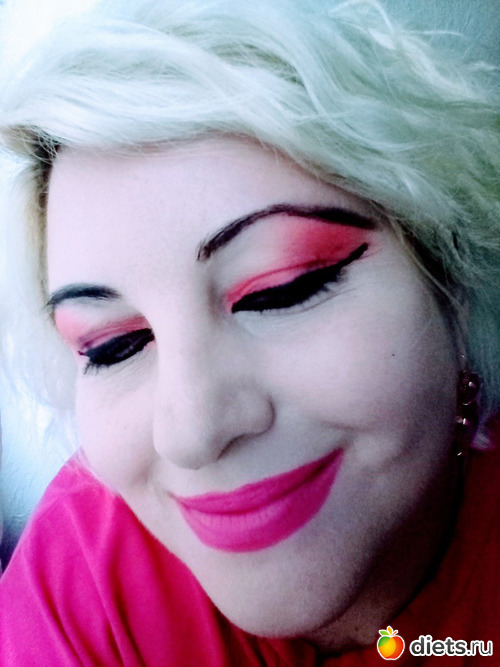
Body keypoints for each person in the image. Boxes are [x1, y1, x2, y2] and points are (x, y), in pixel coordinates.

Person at [0, 1, 499, 664]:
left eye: (280, 291)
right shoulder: (80, 582)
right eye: (113, 344)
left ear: (451, 282)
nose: (194, 431)